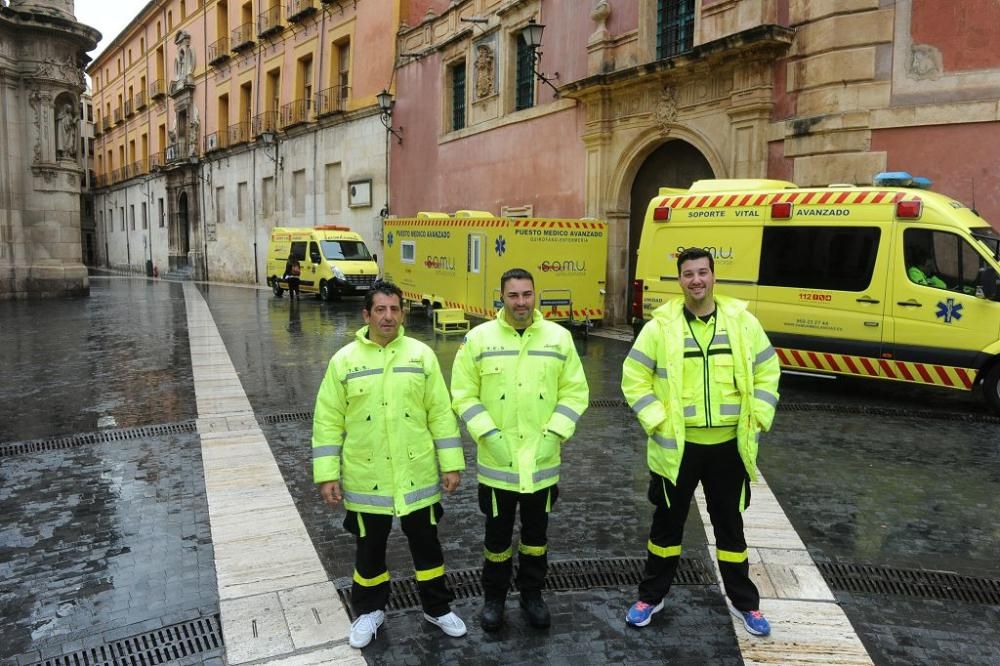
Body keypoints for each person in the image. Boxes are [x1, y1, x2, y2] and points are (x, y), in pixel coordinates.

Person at [621, 248, 780, 636]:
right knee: (666, 527)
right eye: (688, 274)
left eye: (702, 272)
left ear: (714, 276)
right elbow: (634, 376)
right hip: (678, 448)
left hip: (728, 446)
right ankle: (651, 596)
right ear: (680, 280)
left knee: (730, 528)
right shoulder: (661, 327)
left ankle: (746, 603)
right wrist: (657, 421)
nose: (696, 280)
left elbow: (767, 369)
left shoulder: (742, 323)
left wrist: (758, 416)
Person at [312, 280, 467, 649]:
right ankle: (369, 611)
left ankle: (436, 607)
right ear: (366, 315)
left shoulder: (421, 356)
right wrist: (327, 475)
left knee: (428, 548)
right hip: (368, 477)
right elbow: (327, 420)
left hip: (417, 475)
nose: (388, 316)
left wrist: (451, 465)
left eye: (394, 309)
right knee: (369, 549)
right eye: (380, 309)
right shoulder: (344, 361)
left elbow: (441, 415)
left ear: (402, 312)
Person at [451, 268, 589, 632]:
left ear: (535, 295)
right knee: (496, 541)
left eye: (527, 294)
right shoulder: (479, 339)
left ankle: (532, 596)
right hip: (497, 465)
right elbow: (462, 394)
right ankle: (494, 600)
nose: (521, 302)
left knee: (536, 539)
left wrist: (554, 434)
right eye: (513, 295)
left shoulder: (559, 339)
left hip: (543, 464)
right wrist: (489, 435)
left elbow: (576, 392)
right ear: (501, 297)